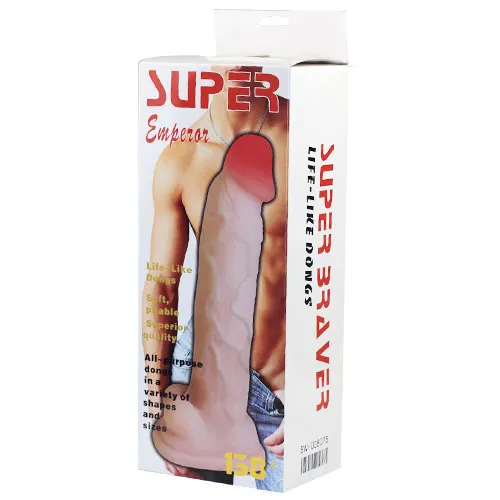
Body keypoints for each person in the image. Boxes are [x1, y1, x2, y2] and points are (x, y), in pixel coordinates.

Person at [142, 66, 288, 491]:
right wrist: (158, 405)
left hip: (285, 390)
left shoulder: (303, 136)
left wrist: (315, 390)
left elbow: (333, 267)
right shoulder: (180, 158)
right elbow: (161, 287)